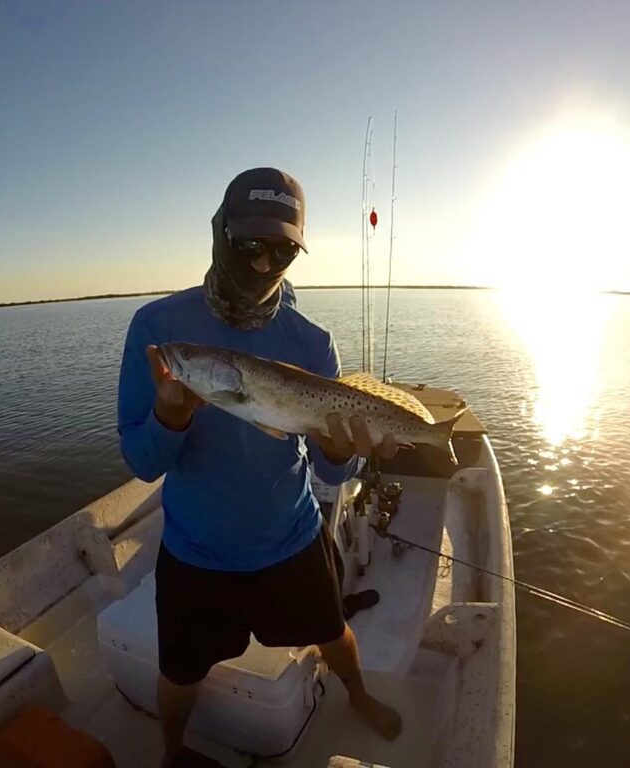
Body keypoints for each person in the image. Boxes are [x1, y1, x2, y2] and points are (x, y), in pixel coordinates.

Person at [117, 167, 402, 768]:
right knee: (180, 671)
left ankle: (358, 694)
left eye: (282, 250)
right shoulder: (159, 330)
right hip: (195, 554)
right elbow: (141, 464)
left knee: (334, 636)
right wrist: (170, 417)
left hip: (291, 541)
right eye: (249, 243)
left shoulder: (313, 341)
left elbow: (333, 473)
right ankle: (172, 751)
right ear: (220, 232)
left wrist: (340, 447)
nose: (263, 262)